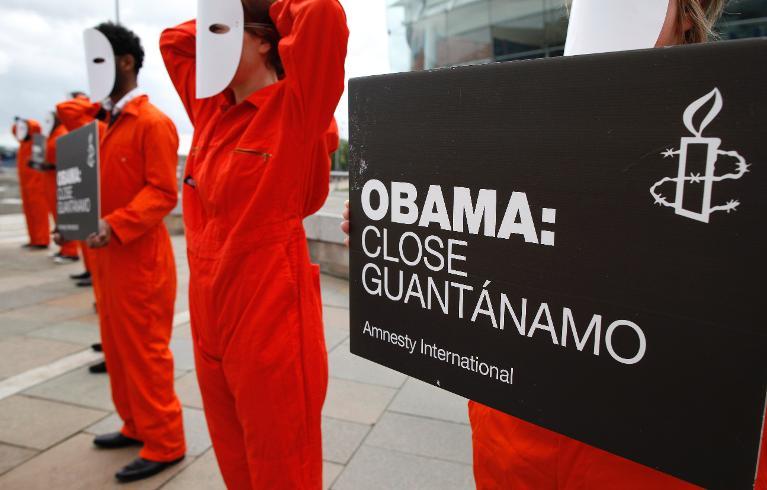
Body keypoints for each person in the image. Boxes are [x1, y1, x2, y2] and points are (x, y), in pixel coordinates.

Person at [342, 0, 767, 488]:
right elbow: (481, 228)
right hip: (516, 432)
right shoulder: (527, 119)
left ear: (686, 16)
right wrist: (394, 221)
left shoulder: (741, 125)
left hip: (649, 456)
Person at [161, 0, 348, 486]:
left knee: (281, 468)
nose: (206, 43)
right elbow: (173, 42)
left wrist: (261, 4)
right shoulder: (210, 111)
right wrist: (224, 16)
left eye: (220, 31)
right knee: (234, 461)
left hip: (270, 317)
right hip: (208, 317)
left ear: (265, 38)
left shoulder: (298, 107)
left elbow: (321, 14)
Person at [56, 22, 185, 482]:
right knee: (116, 347)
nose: (91, 75)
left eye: (100, 63)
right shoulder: (102, 123)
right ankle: (136, 425)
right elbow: (66, 116)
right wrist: (71, 223)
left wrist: (116, 223)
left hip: (139, 261)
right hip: (108, 259)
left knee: (145, 352)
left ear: (125, 63)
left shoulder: (153, 123)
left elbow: (163, 192)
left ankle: (166, 441)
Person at [40, 111, 80, 263]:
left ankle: (70, 251)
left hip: (60, 180)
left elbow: (69, 160)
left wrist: (51, 165)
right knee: (58, 217)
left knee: (65, 215)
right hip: (52, 179)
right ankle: (64, 249)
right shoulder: (53, 134)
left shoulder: (62, 134)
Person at [11, 117, 49, 250]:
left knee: (39, 214)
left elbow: (37, 127)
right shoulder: (23, 144)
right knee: (29, 214)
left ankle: (42, 240)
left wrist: (27, 123)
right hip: (26, 185)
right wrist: (19, 124)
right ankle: (34, 239)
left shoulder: (37, 141)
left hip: (37, 184)